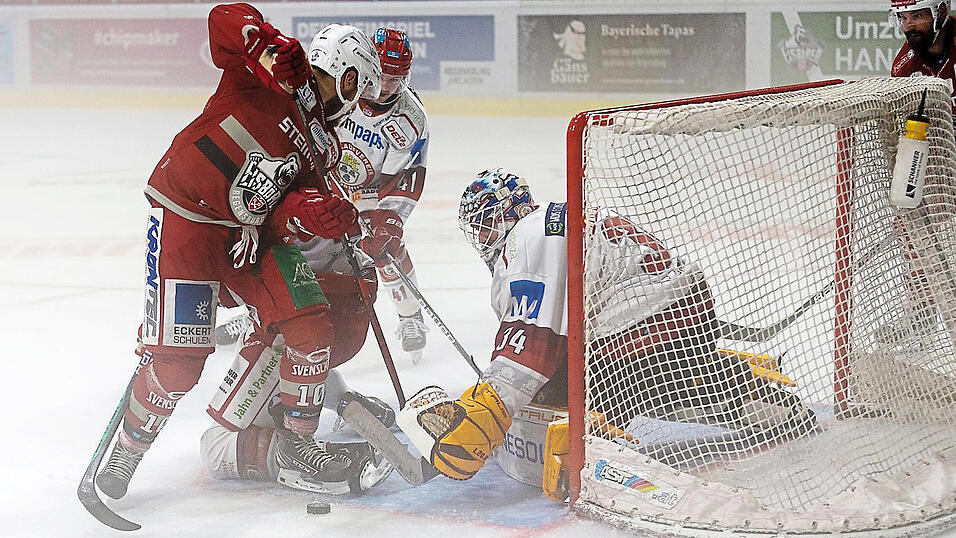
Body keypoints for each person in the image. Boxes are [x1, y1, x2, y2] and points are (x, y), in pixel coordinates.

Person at [93, 3, 382, 500]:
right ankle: (128, 448)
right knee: (179, 365)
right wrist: (266, 44)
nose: (356, 101)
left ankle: (298, 445)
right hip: (186, 216)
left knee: (311, 323)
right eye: (357, 86)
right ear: (342, 66)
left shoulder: (325, 145)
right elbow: (223, 19)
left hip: (246, 236)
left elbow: (283, 206)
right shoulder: (270, 74)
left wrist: (317, 214)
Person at [396, 169, 816, 482]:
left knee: (570, 397)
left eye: (486, 223)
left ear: (510, 211)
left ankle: (593, 451)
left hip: (644, 323)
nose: (485, 237)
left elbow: (534, 341)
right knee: (656, 382)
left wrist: (487, 413)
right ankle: (748, 390)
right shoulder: (553, 221)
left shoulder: (530, 235)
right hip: (674, 317)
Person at [197, 26, 419, 495]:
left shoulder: (322, 130)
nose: (362, 99)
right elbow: (256, 213)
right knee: (222, 441)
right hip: (297, 285)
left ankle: (322, 408)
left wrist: (373, 225)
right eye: (356, 86)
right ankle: (306, 436)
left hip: (315, 284)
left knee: (305, 339)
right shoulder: (291, 126)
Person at [217, 28, 432, 362]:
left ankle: (409, 315)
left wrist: (388, 219)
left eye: (396, 79)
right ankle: (257, 314)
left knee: (386, 251)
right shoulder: (342, 91)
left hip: (368, 196)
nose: (385, 86)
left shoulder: (410, 119)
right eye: (382, 75)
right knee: (290, 250)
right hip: (320, 185)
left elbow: (407, 175)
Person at [890, 0, 956, 95]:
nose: (909, 27)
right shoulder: (903, 70)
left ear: (941, 12)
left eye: (917, 16)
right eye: (903, 17)